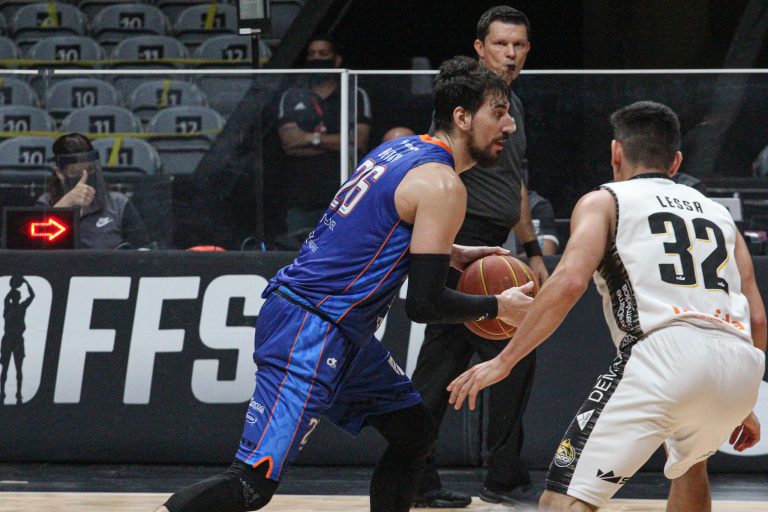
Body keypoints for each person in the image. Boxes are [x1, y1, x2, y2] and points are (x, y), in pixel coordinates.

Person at [156, 56, 535, 512]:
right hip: (310, 326)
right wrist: (498, 306)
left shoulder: (398, 151)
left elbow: (371, 229)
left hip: (341, 327)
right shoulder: (442, 185)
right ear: (462, 117)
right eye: (499, 112)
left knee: (415, 433)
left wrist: (451, 252)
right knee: (252, 484)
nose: (510, 125)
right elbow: (425, 304)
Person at [447, 101, 766, 511]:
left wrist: (504, 360)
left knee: (562, 501)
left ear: (616, 152)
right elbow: (757, 316)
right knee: (690, 467)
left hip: (665, 354)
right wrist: (745, 400)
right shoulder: (720, 215)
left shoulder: (605, 200)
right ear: (676, 161)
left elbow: (569, 281)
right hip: (739, 363)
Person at [411, 6, 548, 508]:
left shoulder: (513, 107)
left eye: (519, 45)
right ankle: (498, 477)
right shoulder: (465, 103)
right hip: (460, 239)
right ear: (479, 48)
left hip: (495, 244)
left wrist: (531, 248)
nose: (510, 54)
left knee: (449, 364)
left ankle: (424, 474)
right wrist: (442, 241)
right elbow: (437, 164)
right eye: (500, 44)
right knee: (505, 352)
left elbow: (515, 184)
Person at [276, 36, 373, 241]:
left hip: (344, 198)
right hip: (301, 199)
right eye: (312, 54)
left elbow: (358, 142)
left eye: (323, 54)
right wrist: (338, 142)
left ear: (336, 60)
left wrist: (309, 138)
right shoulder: (292, 96)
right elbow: (290, 144)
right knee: (297, 253)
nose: (317, 58)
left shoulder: (354, 94)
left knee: (344, 251)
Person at [36, 133, 151, 250]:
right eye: (76, 173)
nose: (85, 178)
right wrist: (64, 206)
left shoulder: (118, 204)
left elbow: (144, 249)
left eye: (90, 170)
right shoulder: (46, 203)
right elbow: (36, 249)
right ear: (60, 173)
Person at [0, 275, 34, 405]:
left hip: (13, 339)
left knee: (11, 368)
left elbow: (31, 296)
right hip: (12, 339)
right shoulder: (15, 307)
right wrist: (23, 283)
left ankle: (13, 393)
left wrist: (15, 286)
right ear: (18, 298)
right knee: (12, 368)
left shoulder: (14, 307)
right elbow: (32, 295)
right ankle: (10, 392)